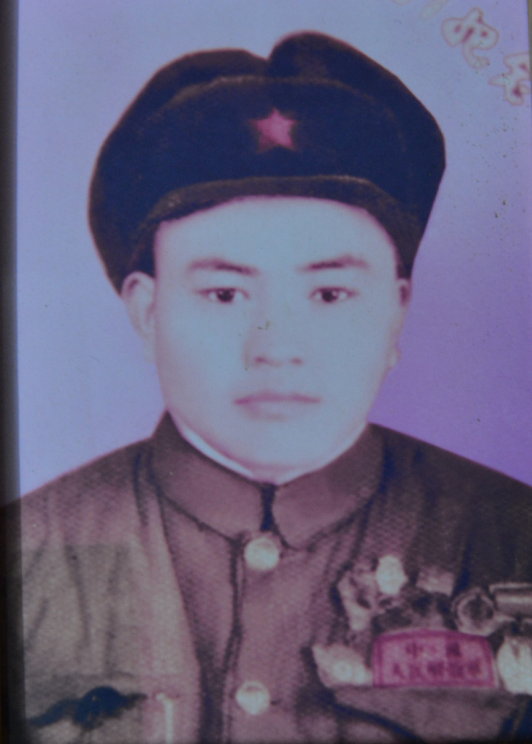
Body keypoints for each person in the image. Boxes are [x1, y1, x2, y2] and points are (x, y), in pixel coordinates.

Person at [11, 31, 532, 743]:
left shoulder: (511, 540)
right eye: (225, 295)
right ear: (148, 312)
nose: (277, 348)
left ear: (397, 309)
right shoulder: (25, 559)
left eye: (330, 295)